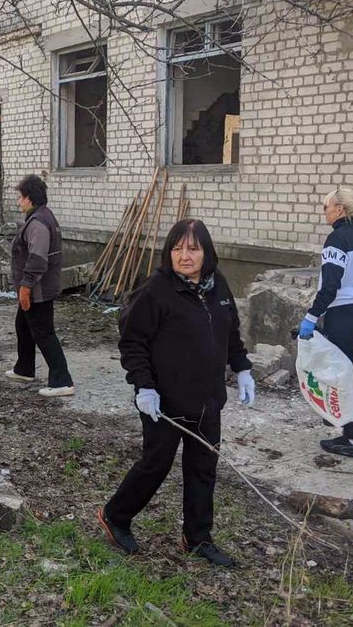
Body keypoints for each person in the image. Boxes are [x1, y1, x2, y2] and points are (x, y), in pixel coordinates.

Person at [98, 219, 255, 567]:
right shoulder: (156, 290)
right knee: (156, 464)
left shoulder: (219, 287)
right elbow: (133, 341)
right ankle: (116, 515)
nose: (185, 256)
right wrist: (144, 387)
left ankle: (198, 538)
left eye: (193, 248)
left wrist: (242, 367)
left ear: (206, 252)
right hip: (163, 401)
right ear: (168, 251)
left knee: (203, 468)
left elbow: (231, 332)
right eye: (178, 248)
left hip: (207, 400)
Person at [298, 188, 353, 459]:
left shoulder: (337, 238)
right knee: (344, 371)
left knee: (343, 378)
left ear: (340, 210)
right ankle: (346, 430)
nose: (325, 211)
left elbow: (331, 285)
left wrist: (311, 317)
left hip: (343, 313)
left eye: (327, 207)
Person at [7, 175, 75, 398]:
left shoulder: (38, 223)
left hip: (37, 289)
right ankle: (24, 369)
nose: (19, 202)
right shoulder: (40, 216)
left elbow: (37, 260)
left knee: (44, 333)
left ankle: (62, 381)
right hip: (34, 288)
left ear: (30, 198)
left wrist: (25, 287)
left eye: (20, 197)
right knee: (23, 326)